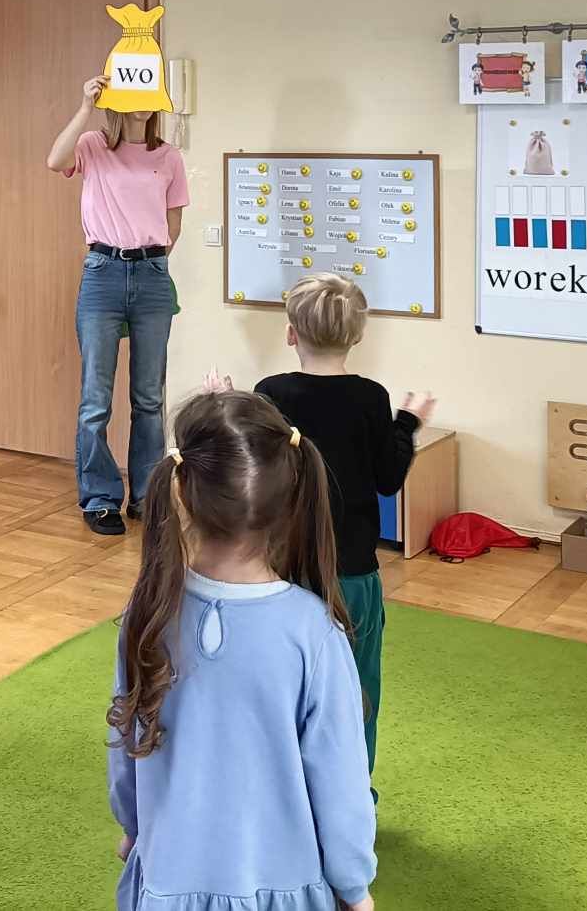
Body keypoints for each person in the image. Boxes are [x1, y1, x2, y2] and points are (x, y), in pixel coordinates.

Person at [107, 388, 376, 911]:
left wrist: (134, 827)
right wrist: (353, 886)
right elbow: (341, 779)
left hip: (166, 882)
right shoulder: (313, 632)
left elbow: (127, 739)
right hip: (282, 891)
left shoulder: (150, 610)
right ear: (291, 497)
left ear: (180, 491)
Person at [254, 274, 436, 780]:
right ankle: (352, 797)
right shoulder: (369, 397)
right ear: (357, 336)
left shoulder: (269, 393)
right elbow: (387, 479)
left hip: (282, 571)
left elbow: (255, 471)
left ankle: (284, 793)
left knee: (285, 688)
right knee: (356, 689)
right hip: (351, 572)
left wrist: (226, 405)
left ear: (291, 333)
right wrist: (407, 423)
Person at [46, 73, 190, 537]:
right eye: (135, 96)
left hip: (151, 275)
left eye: (151, 97)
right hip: (102, 272)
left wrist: (150, 261)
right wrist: (85, 106)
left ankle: (146, 497)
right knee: (95, 399)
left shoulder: (169, 156)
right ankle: (100, 498)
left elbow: (173, 223)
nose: (143, 105)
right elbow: (55, 160)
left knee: (149, 397)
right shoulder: (93, 145)